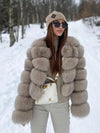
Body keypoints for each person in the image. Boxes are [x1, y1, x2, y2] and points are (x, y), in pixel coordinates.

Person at [12, 11, 90, 133]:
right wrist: (23, 111)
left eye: (63, 25)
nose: (60, 27)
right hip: (38, 103)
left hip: (61, 102)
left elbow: (80, 78)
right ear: (49, 26)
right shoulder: (37, 48)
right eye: (57, 24)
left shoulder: (74, 48)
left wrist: (79, 103)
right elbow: (27, 79)